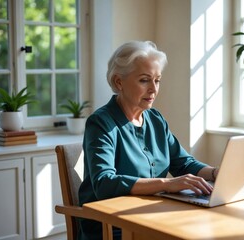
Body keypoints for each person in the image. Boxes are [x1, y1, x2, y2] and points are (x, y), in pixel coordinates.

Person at [78, 40, 219, 239]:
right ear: (119, 82)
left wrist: (216, 173)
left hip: (152, 218)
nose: (153, 89)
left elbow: (183, 163)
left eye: (157, 80)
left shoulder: (155, 119)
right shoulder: (101, 123)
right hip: (112, 227)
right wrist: (166, 184)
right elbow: (104, 183)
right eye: (144, 80)